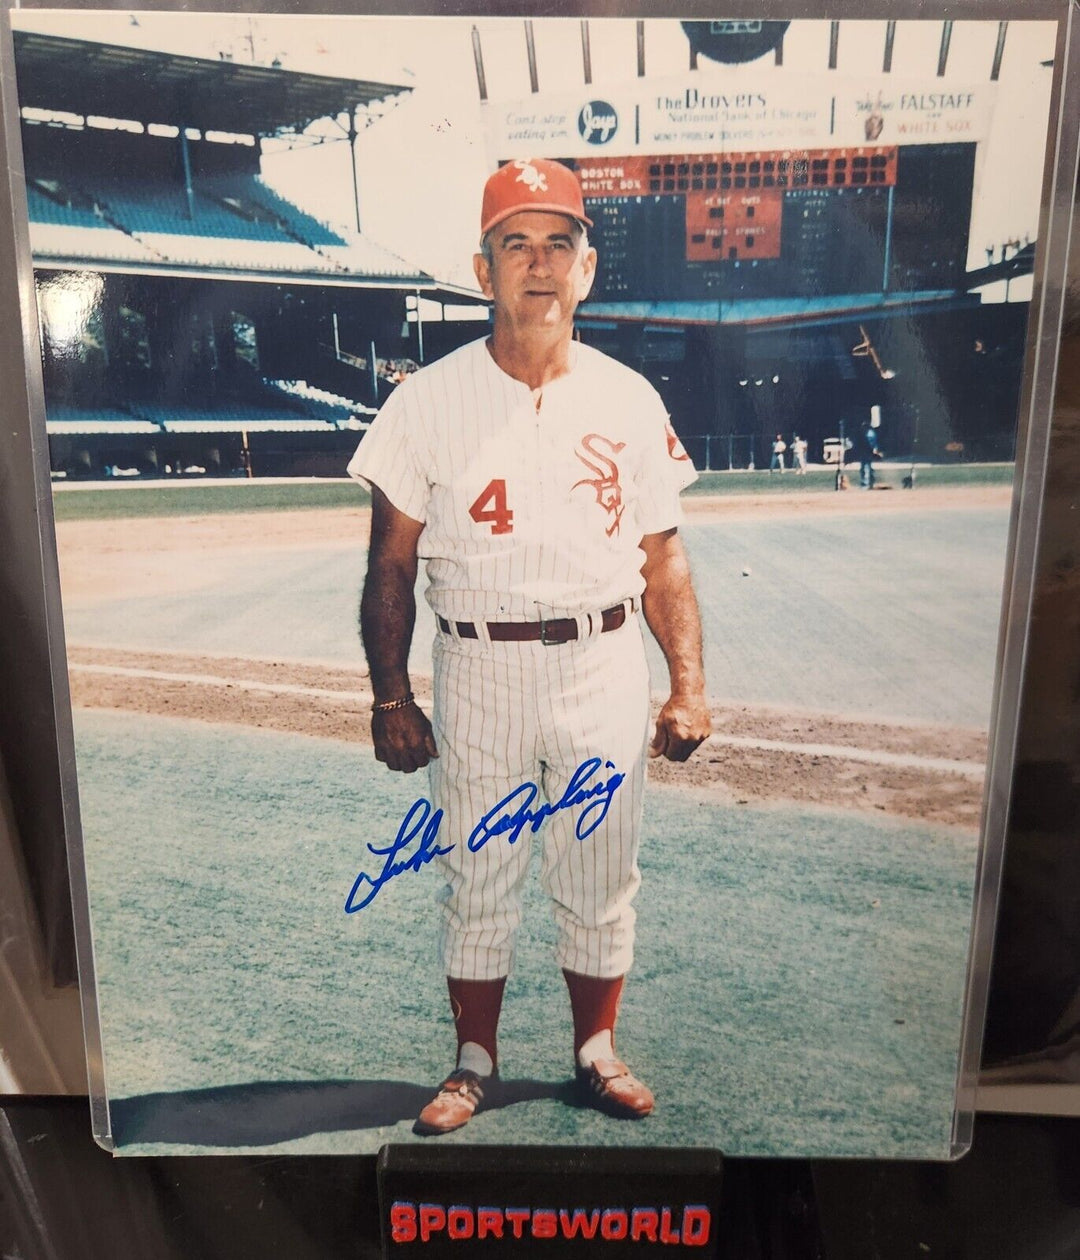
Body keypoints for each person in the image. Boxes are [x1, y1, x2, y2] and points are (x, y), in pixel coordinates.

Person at [348, 157, 710, 1136]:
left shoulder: (629, 399)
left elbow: (663, 559)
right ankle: (474, 1061)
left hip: (599, 666)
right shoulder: (425, 402)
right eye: (517, 244)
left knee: (599, 870)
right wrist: (391, 695)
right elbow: (391, 566)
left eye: (559, 243)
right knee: (481, 870)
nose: (539, 263)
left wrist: (688, 685)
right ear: (483, 268)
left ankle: (595, 1050)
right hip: (480, 667)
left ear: (586, 270)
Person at [859, 423, 881, 489]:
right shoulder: (871, 433)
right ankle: (871, 481)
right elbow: (874, 444)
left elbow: (870, 444)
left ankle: (865, 484)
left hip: (867, 452)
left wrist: (873, 450)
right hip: (868, 452)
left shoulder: (868, 434)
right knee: (868, 466)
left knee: (865, 467)